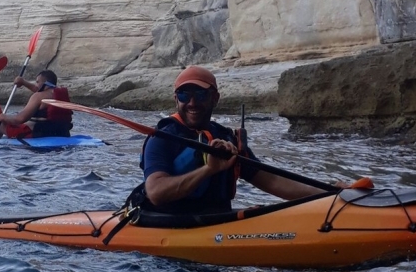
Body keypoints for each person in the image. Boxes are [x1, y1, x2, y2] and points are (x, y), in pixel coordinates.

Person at [139, 65, 328, 217]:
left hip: (218, 224)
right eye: (184, 95)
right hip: (168, 229)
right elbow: (156, 193)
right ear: (176, 99)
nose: (192, 103)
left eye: (201, 94)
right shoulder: (162, 138)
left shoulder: (228, 139)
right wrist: (209, 169)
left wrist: (328, 192)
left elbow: (273, 180)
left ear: (215, 98)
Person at [0, 69, 73, 139]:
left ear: (45, 83)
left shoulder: (38, 96)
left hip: (41, 134)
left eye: (37, 82)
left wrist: (3, 117)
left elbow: (20, 119)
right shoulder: (60, 94)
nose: (35, 85)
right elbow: (37, 89)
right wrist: (23, 82)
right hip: (63, 133)